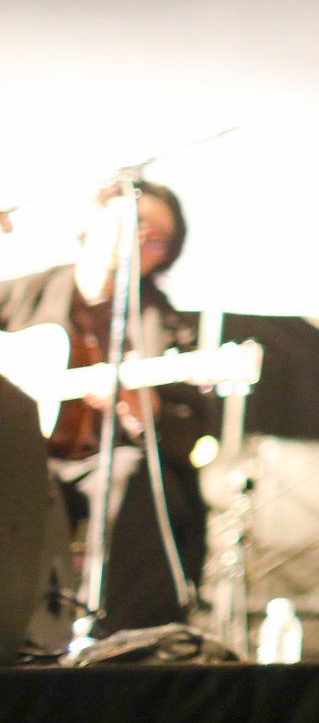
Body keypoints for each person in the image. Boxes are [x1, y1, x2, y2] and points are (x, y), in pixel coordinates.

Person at [0, 182, 213, 637]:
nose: (138, 239)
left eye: (156, 239)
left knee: (134, 478)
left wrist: (145, 410)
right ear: (94, 219)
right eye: (132, 221)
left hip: (99, 468)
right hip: (19, 459)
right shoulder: (22, 293)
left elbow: (192, 433)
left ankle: (110, 638)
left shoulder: (169, 326)